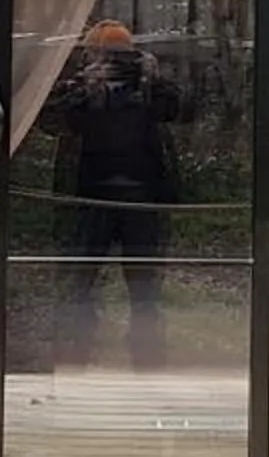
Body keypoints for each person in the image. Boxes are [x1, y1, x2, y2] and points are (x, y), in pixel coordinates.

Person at [47, 20, 183, 363]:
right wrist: (85, 84)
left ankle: (143, 354)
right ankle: (79, 349)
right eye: (109, 57)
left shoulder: (149, 83)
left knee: (142, 286)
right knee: (84, 280)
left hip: (132, 192)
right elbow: (56, 119)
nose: (114, 65)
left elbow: (178, 110)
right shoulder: (88, 82)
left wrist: (154, 81)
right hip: (99, 192)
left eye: (120, 57)